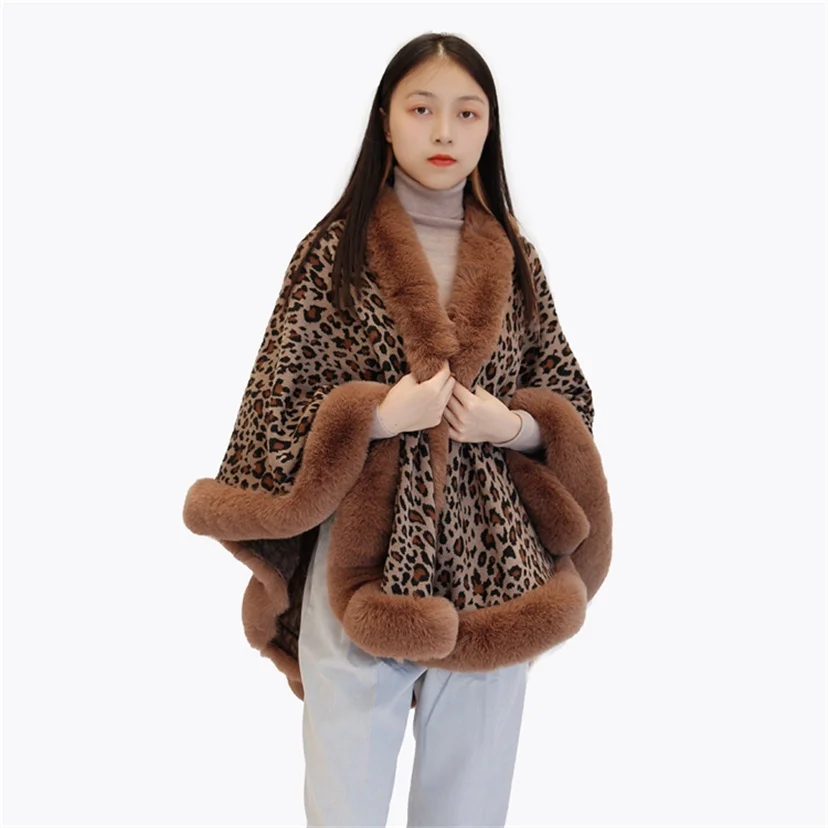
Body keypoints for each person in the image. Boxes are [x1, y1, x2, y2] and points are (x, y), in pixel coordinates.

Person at [182, 30, 612, 828]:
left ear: (489, 127)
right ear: (386, 119)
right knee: (343, 806)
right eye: (422, 109)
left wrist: (511, 424)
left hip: (493, 572)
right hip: (362, 564)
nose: (444, 131)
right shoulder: (331, 255)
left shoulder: (516, 260)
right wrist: (378, 415)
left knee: (470, 809)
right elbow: (273, 409)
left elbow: (570, 399)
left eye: (467, 112)